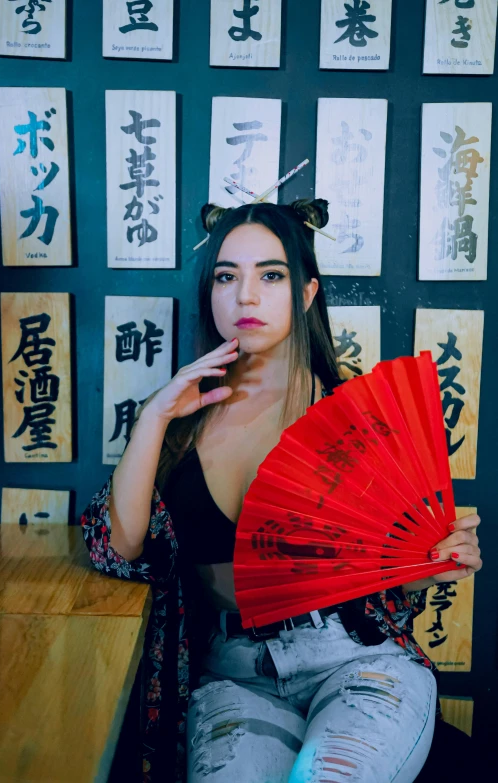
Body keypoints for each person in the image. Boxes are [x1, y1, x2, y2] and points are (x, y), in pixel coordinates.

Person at [81, 199, 482, 783]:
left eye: (271, 275)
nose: (246, 296)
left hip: (356, 662)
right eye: (227, 276)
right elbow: (120, 546)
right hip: (234, 674)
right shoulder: (179, 425)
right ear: (210, 293)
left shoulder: (356, 419)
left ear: (308, 293)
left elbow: (384, 567)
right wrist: (154, 417)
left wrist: (432, 561)